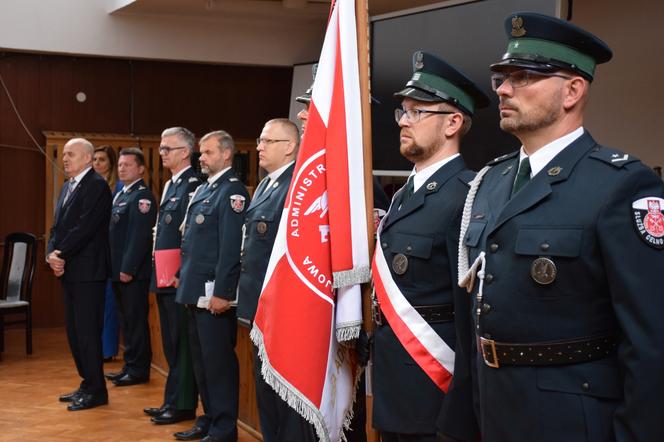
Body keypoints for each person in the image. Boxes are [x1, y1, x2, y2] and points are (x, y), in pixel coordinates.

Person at [451, 12, 664, 442]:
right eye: (501, 78)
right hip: (493, 411)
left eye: (523, 76)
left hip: (571, 420)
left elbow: (651, 343)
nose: (504, 90)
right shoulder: (490, 182)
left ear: (572, 90)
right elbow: (471, 316)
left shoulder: (620, 185)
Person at [370, 51, 489, 442]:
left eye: (417, 112)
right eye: (402, 112)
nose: (404, 122)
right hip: (395, 378)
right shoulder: (404, 194)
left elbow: (471, 309)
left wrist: (461, 404)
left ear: (453, 122)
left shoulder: (468, 195)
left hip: (436, 386)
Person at [236, 119, 316, 442]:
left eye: (267, 141)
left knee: (286, 405)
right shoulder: (266, 185)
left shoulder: (295, 187)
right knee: (266, 400)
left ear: (290, 147)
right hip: (260, 312)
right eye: (260, 140)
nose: (259, 147)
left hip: (282, 314)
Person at [174, 131, 248, 442]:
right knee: (202, 364)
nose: (201, 158)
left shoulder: (232, 192)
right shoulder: (207, 189)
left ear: (226, 155)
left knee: (218, 365)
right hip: (194, 291)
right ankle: (209, 419)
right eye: (201, 153)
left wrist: (223, 292)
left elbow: (230, 249)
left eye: (207, 152)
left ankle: (224, 428)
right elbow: (193, 241)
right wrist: (182, 275)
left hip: (212, 295)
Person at [47, 137, 112, 411]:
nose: (65, 159)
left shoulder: (96, 186)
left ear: (87, 158)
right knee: (74, 332)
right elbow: (57, 227)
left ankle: (97, 390)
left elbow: (85, 228)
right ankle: (87, 382)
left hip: (88, 272)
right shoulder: (66, 187)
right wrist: (51, 252)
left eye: (70, 154)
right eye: (63, 155)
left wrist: (59, 254)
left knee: (87, 332)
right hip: (69, 270)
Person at [144, 127, 200, 425]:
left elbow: (191, 235)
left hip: (179, 276)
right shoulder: (170, 185)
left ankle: (182, 405)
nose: (162, 152)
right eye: (162, 148)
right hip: (163, 274)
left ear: (185, 152)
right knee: (170, 344)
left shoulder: (194, 184)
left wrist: (181, 271)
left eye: (168, 148)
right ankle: (170, 398)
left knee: (181, 344)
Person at [105, 147, 157, 387]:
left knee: (136, 322)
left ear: (141, 169)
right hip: (118, 271)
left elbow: (139, 237)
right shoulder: (121, 194)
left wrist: (127, 268)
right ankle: (129, 365)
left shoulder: (141, 196)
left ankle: (139, 369)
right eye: (120, 165)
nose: (122, 168)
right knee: (126, 321)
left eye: (128, 164)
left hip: (132, 273)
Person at [93, 145, 122, 362]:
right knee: (96, 304)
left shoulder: (118, 188)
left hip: (112, 252)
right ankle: (96, 346)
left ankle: (108, 349)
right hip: (94, 253)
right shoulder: (92, 185)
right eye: (94, 160)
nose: (97, 164)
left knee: (109, 302)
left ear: (110, 163)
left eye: (101, 160)